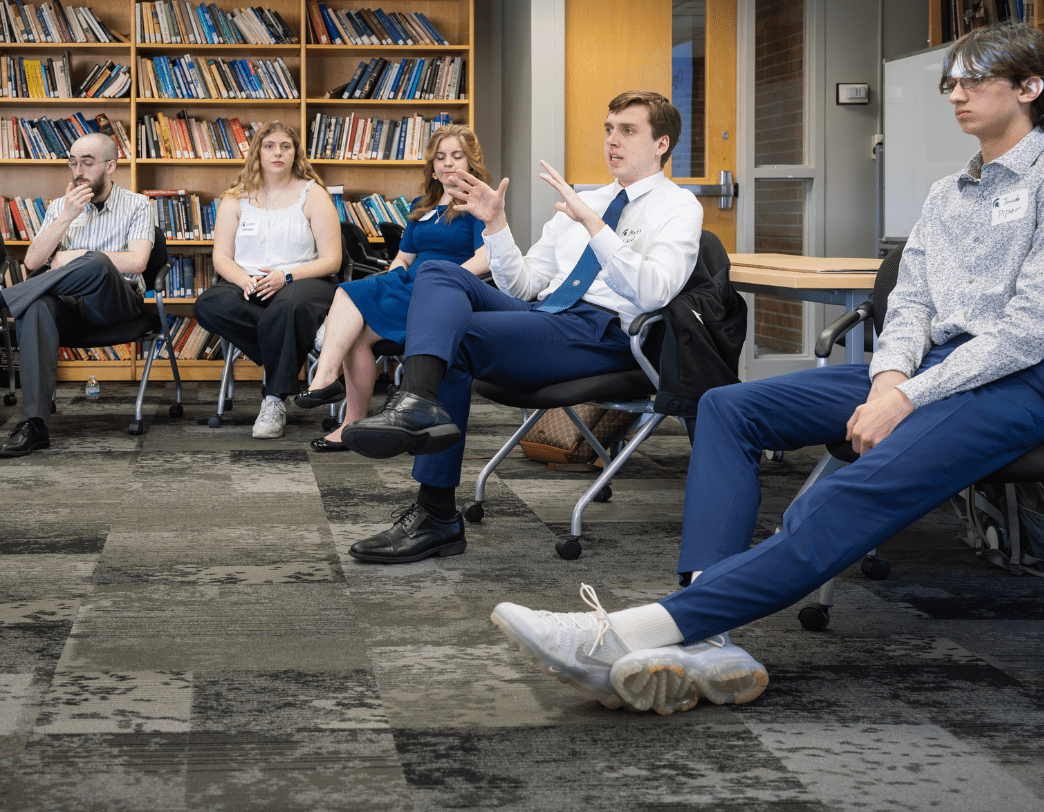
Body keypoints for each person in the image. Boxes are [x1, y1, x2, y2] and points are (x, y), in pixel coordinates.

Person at [490, 23, 1044, 715]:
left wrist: (906, 398)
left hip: (1024, 382)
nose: (954, 92)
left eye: (971, 80)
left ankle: (636, 631)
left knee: (847, 489)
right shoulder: (946, 193)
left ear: (1029, 88)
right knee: (728, 406)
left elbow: (1031, 332)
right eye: (948, 82)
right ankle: (706, 632)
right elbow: (910, 303)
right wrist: (891, 378)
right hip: (927, 367)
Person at [340, 91, 703, 563]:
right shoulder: (585, 201)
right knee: (437, 272)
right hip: (547, 317)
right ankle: (419, 403)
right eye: (609, 129)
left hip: (606, 334)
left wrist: (596, 225)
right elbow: (524, 285)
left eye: (628, 131)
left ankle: (436, 514)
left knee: (454, 338)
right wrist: (497, 225)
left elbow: (655, 292)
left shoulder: (677, 207)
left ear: (661, 144)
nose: (612, 141)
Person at [0, 132, 154, 457]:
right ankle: (34, 424)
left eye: (88, 162)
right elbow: (32, 261)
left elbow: (137, 262)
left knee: (95, 262)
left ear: (111, 166)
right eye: (73, 161)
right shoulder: (60, 206)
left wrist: (77, 254)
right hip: (69, 305)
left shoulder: (138, 205)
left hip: (116, 301)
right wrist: (67, 216)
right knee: (37, 305)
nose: (78, 169)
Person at [295, 124, 491, 452]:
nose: (448, 164)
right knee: (353, 309)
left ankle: (326, 382)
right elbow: (403, 256)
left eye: (457, 156)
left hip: (444, 291)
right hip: (408, 284)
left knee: (352, 306)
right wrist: (396, 271)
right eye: (441, 157)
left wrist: (448, 277)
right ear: (432, 165)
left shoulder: (478, 204)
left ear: (471, 162)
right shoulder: (422, 204)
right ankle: (349, 422)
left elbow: (487, 256)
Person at [193, 121, 342, 439]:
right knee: (208, 303)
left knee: (286, 306)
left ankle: (273, 400)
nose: (278, 152)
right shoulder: (235, 198)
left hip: (303, 279)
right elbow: (222, 258)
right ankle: (304, 338)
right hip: (248, 282)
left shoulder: (313, 194)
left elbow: (332, 260)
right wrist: (244, 281)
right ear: (257, 152)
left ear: (295, 153)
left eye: (285, 146)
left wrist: (286, 275)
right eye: (270, 145)